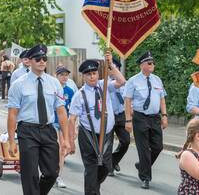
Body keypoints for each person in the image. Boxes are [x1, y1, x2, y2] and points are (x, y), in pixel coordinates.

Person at [7, 44, 70, 195]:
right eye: (38, 59)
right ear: (29, 61)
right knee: (30, 174)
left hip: (48, 130)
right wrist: (11, 141)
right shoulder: (18, 85)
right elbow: (12, 114)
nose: (42, 61)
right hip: (27, 131)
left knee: (52, 173)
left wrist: (66, 139)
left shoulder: (54, 83)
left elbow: (61, 112)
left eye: (44, 58)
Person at [68, 53, 125, 195]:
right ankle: (92, 191)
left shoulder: (104, 85)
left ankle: (94, 188)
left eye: (94, 73)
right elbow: (72, 119)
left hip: (106, 135)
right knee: (91, 169)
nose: (92, 76)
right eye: (88, 74)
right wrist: (71, 141)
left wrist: (111, 64)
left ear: (98, 74)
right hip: (88, 136)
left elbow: (121, 81)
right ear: (84, 76)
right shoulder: (79, 95)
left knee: (106, 166)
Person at [124, 51, 168, 189]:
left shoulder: (157, 79)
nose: (152, 65)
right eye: (149, 63)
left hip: (155, 117)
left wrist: (165, 116)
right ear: (142, 65)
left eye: (153, 63)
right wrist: (128, 120)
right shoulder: (133, 81)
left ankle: (142, 165)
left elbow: (162, 99)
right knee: (143, 149)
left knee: (158, 147)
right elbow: (127, 100)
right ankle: (145, 178)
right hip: (140, 117)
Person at [53, 65, 75, 188]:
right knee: (56, 149)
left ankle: (58, 176)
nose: (64, 77)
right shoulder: (51, 89)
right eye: (62, 75)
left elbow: (72, 111)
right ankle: (51, 172)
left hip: (64, 124)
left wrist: (73, 128)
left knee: (62, 150)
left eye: (66, 75)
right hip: (52, 123)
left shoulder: (70, 91)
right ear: (56, 76)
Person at [109, 57, 130, 176]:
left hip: (121, 115)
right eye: (112, 68)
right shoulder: (104, 83)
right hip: (109, 116)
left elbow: (128, 99)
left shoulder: (124, 83)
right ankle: (109, 167)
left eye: (116, 68)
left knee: (126, 141)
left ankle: (114, 160)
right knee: (109, 143)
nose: (114, 70)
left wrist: (129, 117)